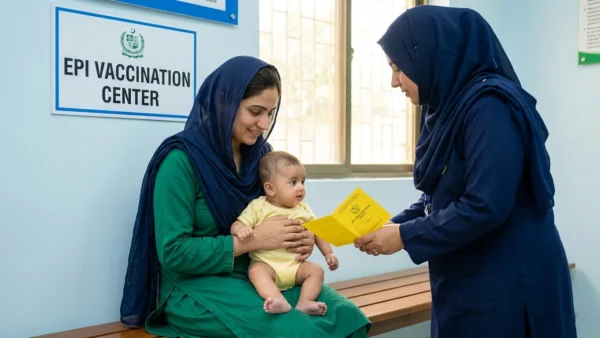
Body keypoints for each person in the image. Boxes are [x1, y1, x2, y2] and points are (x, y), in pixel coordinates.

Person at [353, 5, 577, 338]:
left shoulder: (490, 106)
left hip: (509, 285)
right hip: (468, 280)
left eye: (399, 68)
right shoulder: (447, 107)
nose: (393, 82)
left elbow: (485, 204)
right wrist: (395, 223)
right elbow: (441, 194)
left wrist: (403, 237)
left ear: (429, 54)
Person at [119, 56, 371, 338]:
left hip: (263, 275)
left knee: (349, 320)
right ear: (224, 104)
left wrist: (302, 239)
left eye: (271, 113)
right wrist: (255, 240)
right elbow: (173, 252)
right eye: (255, 111)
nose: (264, 123)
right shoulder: (181, 161)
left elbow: (279, 211)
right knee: (297, 332)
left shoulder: (261, 157)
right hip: (195, 287)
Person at [231, 150, 339, 316]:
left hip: (296, 267)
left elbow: (318, 231)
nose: (301, 188)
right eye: (293, 182)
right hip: (268, 266)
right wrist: (241, 229)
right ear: (270, 188)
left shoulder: (303, 209)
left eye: (303, 182)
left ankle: (305, 302)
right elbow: (237, 224)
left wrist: (328, 253)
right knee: (255, 272)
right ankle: (277, 299)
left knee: (317, 271)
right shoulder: (258, 206)